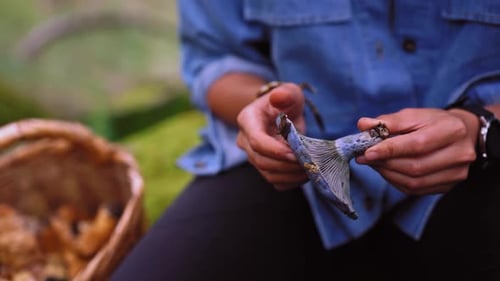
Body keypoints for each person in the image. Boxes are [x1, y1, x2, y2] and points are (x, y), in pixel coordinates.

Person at [111, 1, 500, 280]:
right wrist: (265, 104)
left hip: (485, 161)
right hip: (299, 177)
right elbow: (214, 60)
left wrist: (480, 127)